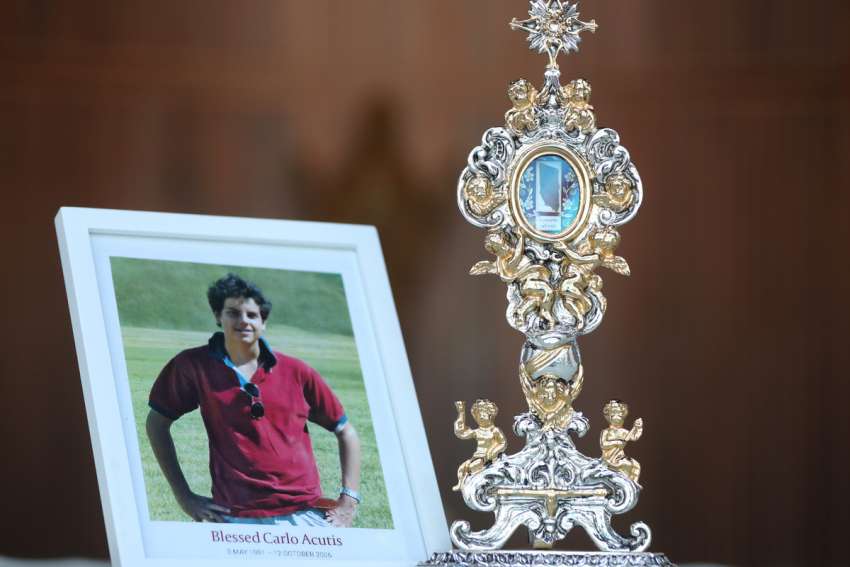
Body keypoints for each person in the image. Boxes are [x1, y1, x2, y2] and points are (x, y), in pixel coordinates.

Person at [145, 273, 361, 527]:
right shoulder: (192, 366)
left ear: (263, 322)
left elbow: (345, 431)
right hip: (233, 515)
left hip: (303, 513)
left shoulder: (297, 371)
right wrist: (184, 497)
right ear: (218, 316)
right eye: (233, 313)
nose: (243, 321)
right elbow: (156, 423)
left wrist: (349, 499)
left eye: (252, 315)